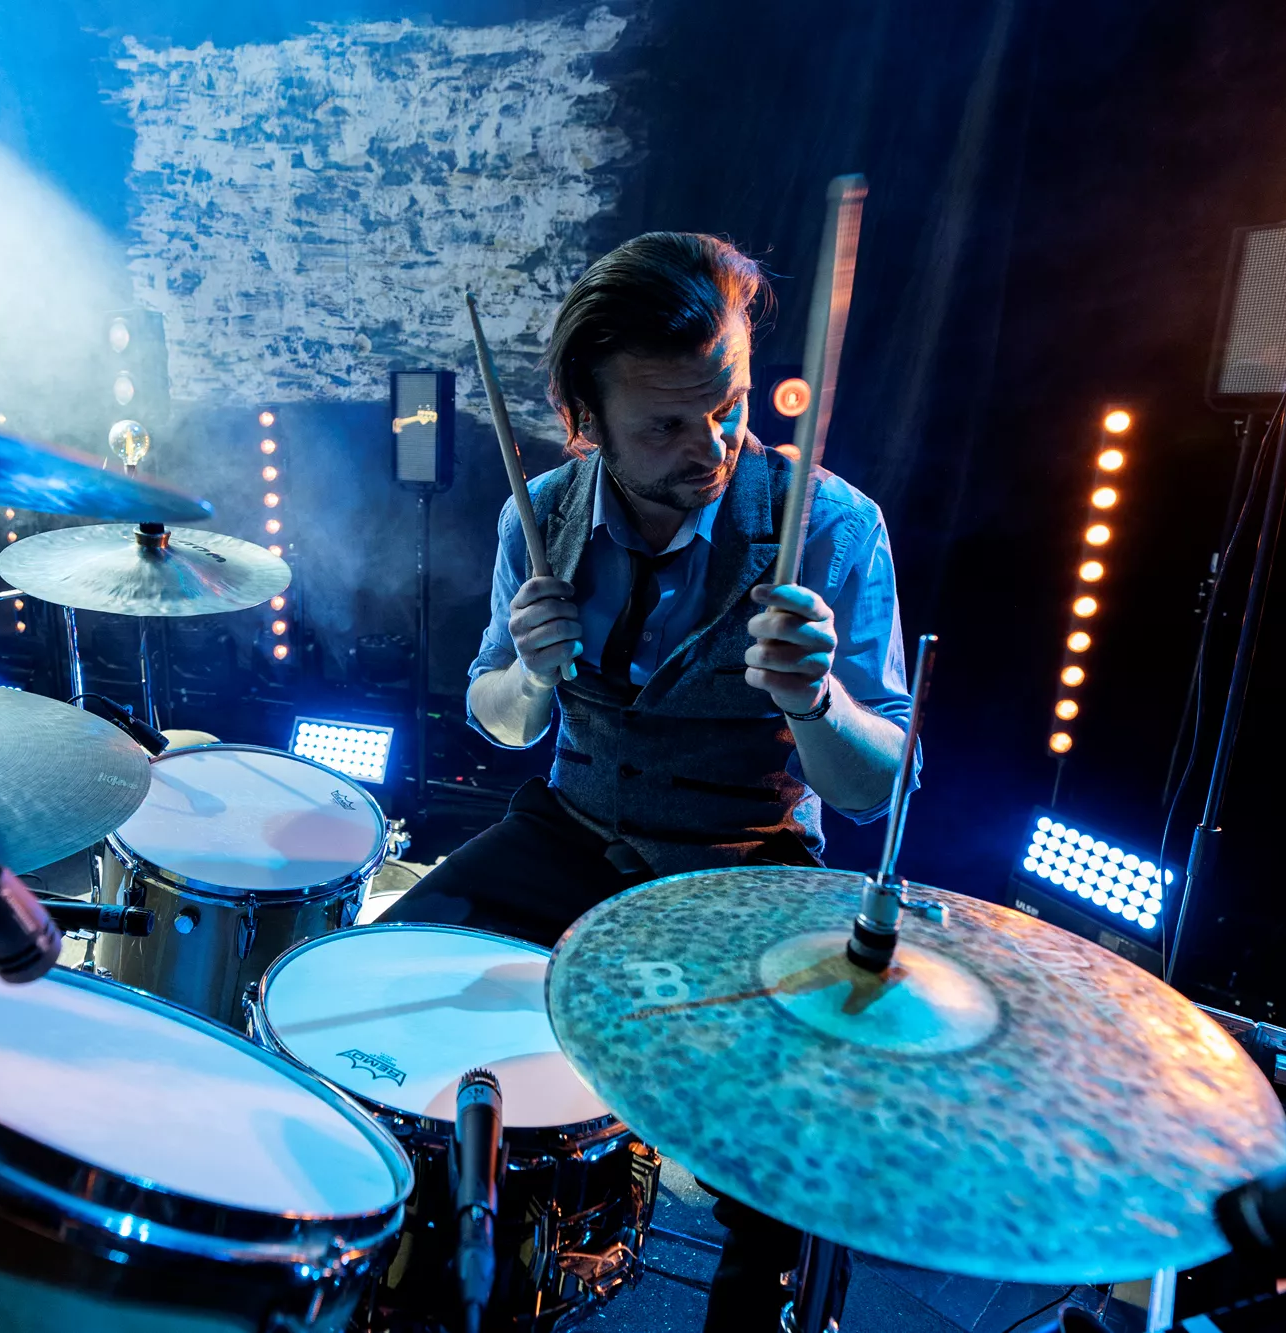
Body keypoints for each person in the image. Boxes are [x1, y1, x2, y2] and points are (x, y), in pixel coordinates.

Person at [381, 231, 919, 1329]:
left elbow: (875, 786)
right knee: (388, 991)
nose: (710, 445)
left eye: (728, 405)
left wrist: (816, 702)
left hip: (746, 866)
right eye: (665, 425)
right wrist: (529, 674)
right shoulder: (535, 513)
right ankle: (443, 1264)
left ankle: (755, 1296)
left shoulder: (832, 526)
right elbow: (502, 719)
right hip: (573, 830)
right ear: (586, 421)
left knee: (785, 1156)